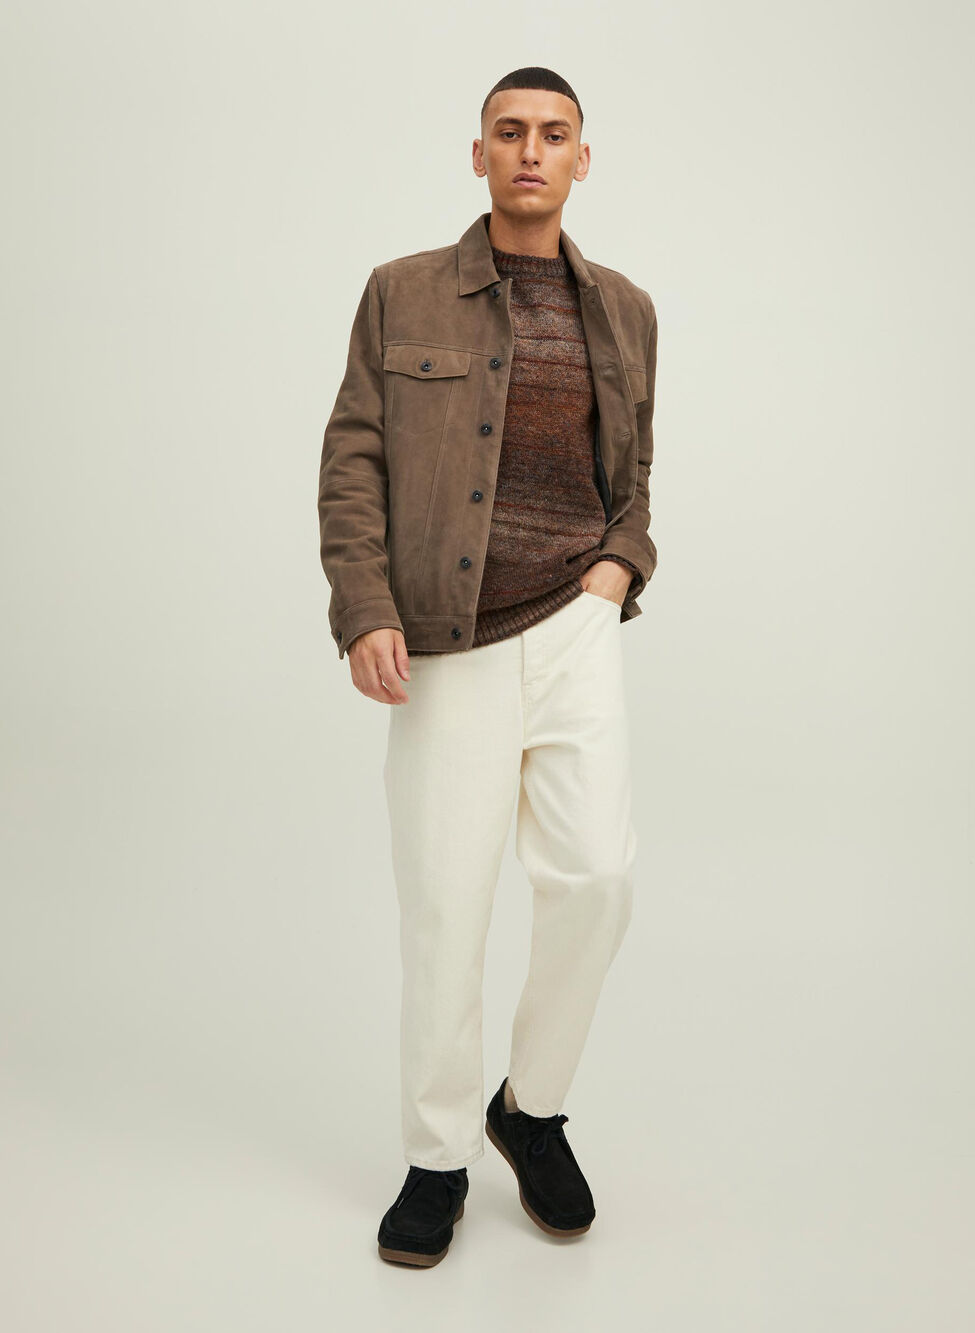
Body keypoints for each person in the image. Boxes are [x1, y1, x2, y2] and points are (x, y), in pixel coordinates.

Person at [317, 66, 659, 1268]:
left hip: (574, 625)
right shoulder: (401, 292)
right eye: (509, 132)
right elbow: (353, 458)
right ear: (478, 154)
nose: (530, 151)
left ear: (581, 159)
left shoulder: (627, 310)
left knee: (598, 878)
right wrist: (364, 605)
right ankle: (437, 1156)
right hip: (447, 640)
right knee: (446, 908)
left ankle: (533, 1107)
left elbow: (635, 476)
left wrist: (618, 568)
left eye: (553, 134)